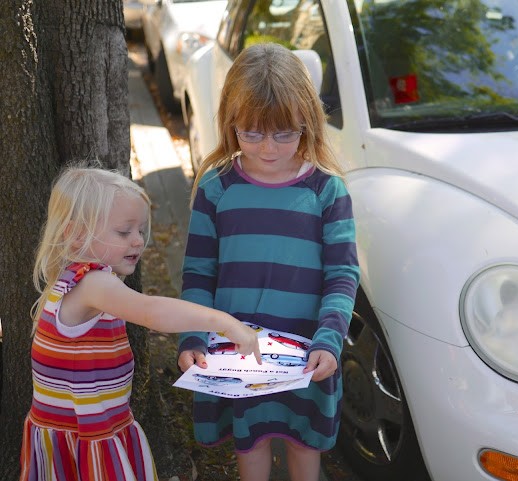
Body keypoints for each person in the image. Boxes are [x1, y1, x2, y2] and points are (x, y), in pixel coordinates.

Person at [177, 42, 360, 481]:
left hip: (306, 355)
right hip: (238, 356)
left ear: (307, 123)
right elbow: (199, 272)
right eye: (252, 133)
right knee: (251, 445)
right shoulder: (216, 189)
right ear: (231, 123)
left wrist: (329, 339)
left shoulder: (326, 192)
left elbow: (342, 275)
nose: (269, 148)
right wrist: (193, 337)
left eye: (284, 133)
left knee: (303, 446)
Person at [20, 166, 261, 481]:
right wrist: (224, 322)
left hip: (90, 428)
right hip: (86, 437)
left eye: (141, 230)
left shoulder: (73, 279)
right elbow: (152, 312)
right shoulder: (93, 283)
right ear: (77, 233)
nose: (138, 241)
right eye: (124, 232)